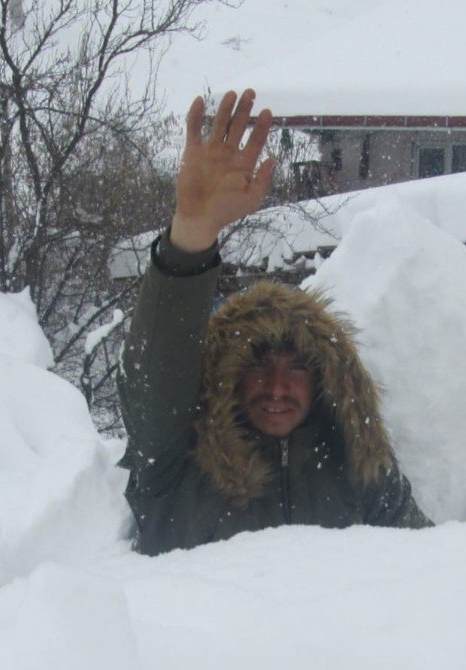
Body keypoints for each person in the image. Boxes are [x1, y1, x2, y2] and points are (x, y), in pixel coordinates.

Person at [119, 89, 432, 555]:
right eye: (260, 365)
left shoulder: (358, 472)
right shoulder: (176, 461)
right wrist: (191, 235)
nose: (277, 388)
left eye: (297, 368)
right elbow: (155, 381)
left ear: (324, 379)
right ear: (229, 376)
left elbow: (436, 569)